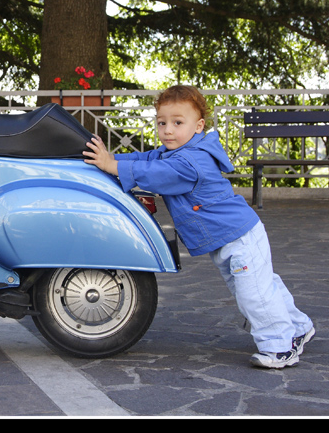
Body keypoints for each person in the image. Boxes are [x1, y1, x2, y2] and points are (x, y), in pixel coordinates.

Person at [82, 85, 314, 369]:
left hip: (239, 237)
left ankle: (280, 347)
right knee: (262, 286)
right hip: (231, 237)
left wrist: (113, 166)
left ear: (199, 126)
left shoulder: (191, 161)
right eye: (162, 123)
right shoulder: (176, 151)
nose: (168, 130)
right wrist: (111, 159)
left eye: (178, 123)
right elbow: (147, 159)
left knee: (253, 293)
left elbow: (157, 173)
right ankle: (299, 327)